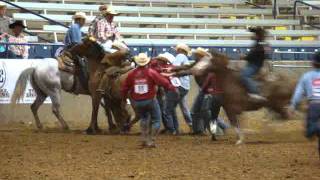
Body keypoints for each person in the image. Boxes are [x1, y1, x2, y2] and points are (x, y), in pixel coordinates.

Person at [121, 53, 176, 148]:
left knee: (143, 118)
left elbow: (125, 88)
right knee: (157, 120)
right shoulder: (151, 72)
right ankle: (151, 140)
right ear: (147, 62)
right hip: (150, 100)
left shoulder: (132, 74)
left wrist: (124, 98)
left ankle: (144, 139)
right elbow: (163, 82)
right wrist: (172, 88)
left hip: (137, 101)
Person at [288, 52, 320, 158]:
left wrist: (293, 105)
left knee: (309, 132)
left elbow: (298, 92)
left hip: (314, 105)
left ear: (312, 63)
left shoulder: (306, 76)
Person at [164, 43, 193, 134]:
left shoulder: (180, 56)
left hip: (179, 85)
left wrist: (168, 70)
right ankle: (191, 125)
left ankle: (172, 129)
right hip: (184, 85)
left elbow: (175, 67)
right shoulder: (185, 58)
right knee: (183, 107)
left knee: (168, 108)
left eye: (177, 49)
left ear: (181, 50)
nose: (176, 50)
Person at [240, 27, 268, 100]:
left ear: (257, 36)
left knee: (244, 75)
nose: (253, 36)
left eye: (254, 34)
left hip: (255, 65)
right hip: (253, 64)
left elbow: (253, 56)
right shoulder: (258, 44)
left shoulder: (259, 45)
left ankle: (256, 92)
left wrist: (244, 57)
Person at [201, 73, 229, 140]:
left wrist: (208, 90)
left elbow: (204, 87)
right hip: (225, 96)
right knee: (232, 115)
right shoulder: (225, 73)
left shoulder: (211, 74)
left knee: (213, 117)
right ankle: (238, 133)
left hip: (216, 97)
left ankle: (213, 134)